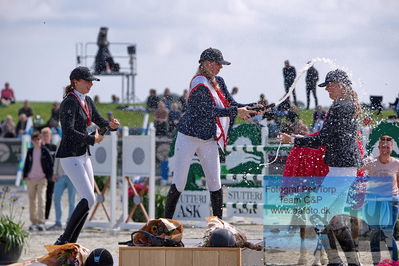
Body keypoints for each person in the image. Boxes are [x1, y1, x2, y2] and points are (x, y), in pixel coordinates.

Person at [164, 48, 260, 220]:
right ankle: (164, 224)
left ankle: (219, 225)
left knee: (215, 183)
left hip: (208, 138)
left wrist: (253, 107)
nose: (220, 68)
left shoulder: (219, 81)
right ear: (207, 64)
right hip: (188, 137)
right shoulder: (198, 83)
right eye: (218, 64)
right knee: (179, 183)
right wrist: (236, 111)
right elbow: (207, 110)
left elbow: (231, 104)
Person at [279, 69, 363, 265]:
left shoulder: (340, 107)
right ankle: (352, 263)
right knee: (336, 219)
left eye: (330, 86)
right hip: (343, 166)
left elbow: (323, 138)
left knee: (316, 212)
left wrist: (294, 140)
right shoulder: (346, 105)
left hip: (341, 168)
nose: (327, 91)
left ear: (339, 85)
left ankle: (335, 262)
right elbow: (328, 138)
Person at [54, 66, 120, 245]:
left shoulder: (87, 100)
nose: (91, 84)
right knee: (89, 198)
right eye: (87, 81)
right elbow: (68, 131)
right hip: (70, 156)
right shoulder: (69, 102)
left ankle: (72, 240)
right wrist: (92, 140)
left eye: (92, 81)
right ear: (75, 82)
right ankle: (63, 239)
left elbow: (100, 122)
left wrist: (112, 125)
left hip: (83, 155)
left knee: (89, 201)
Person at [361, 135, 399, 264]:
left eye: (387, 147)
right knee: (375, 233)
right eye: (382, 146)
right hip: (374, 202)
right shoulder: (370, 162)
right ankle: (376, 263)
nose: (385, 149)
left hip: (392, 201)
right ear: (378, 148)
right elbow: (356, 168)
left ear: (392, 148)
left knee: (388, 233)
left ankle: (395, 262)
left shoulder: (396, 163)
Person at [23, 132, 53, 231]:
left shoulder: (45, 151)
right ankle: (33, 222)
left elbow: (51, 163)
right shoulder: (30, 151)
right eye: (34, 140)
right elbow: (26, 163)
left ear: (41, 140)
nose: (36, 141)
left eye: (38, 139)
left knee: (41, 199)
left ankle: (41, 222)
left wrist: (48, 176)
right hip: (31, 179)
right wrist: (25, 175)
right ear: (32, 141)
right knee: (32, 201)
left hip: (42, 179)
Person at [48, 155, 76, 231]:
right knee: (56, 197)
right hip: (60, 175)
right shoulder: (60, 143)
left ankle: (70, 223)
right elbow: (57, 158)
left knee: (72, 201)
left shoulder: (77, 143)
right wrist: (55, 172)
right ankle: (58, 222)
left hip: (73, 176)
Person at [41, 127, 57, 221]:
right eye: (44, 135)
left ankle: (46, 216)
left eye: (47, 135)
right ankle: (41, 215)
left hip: (51, 176)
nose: (46, 137)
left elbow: (56, 161)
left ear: (50, 136)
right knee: (41, 197)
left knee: (49, 196)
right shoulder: (40, 148)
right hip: (41, 176)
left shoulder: (54, 147)